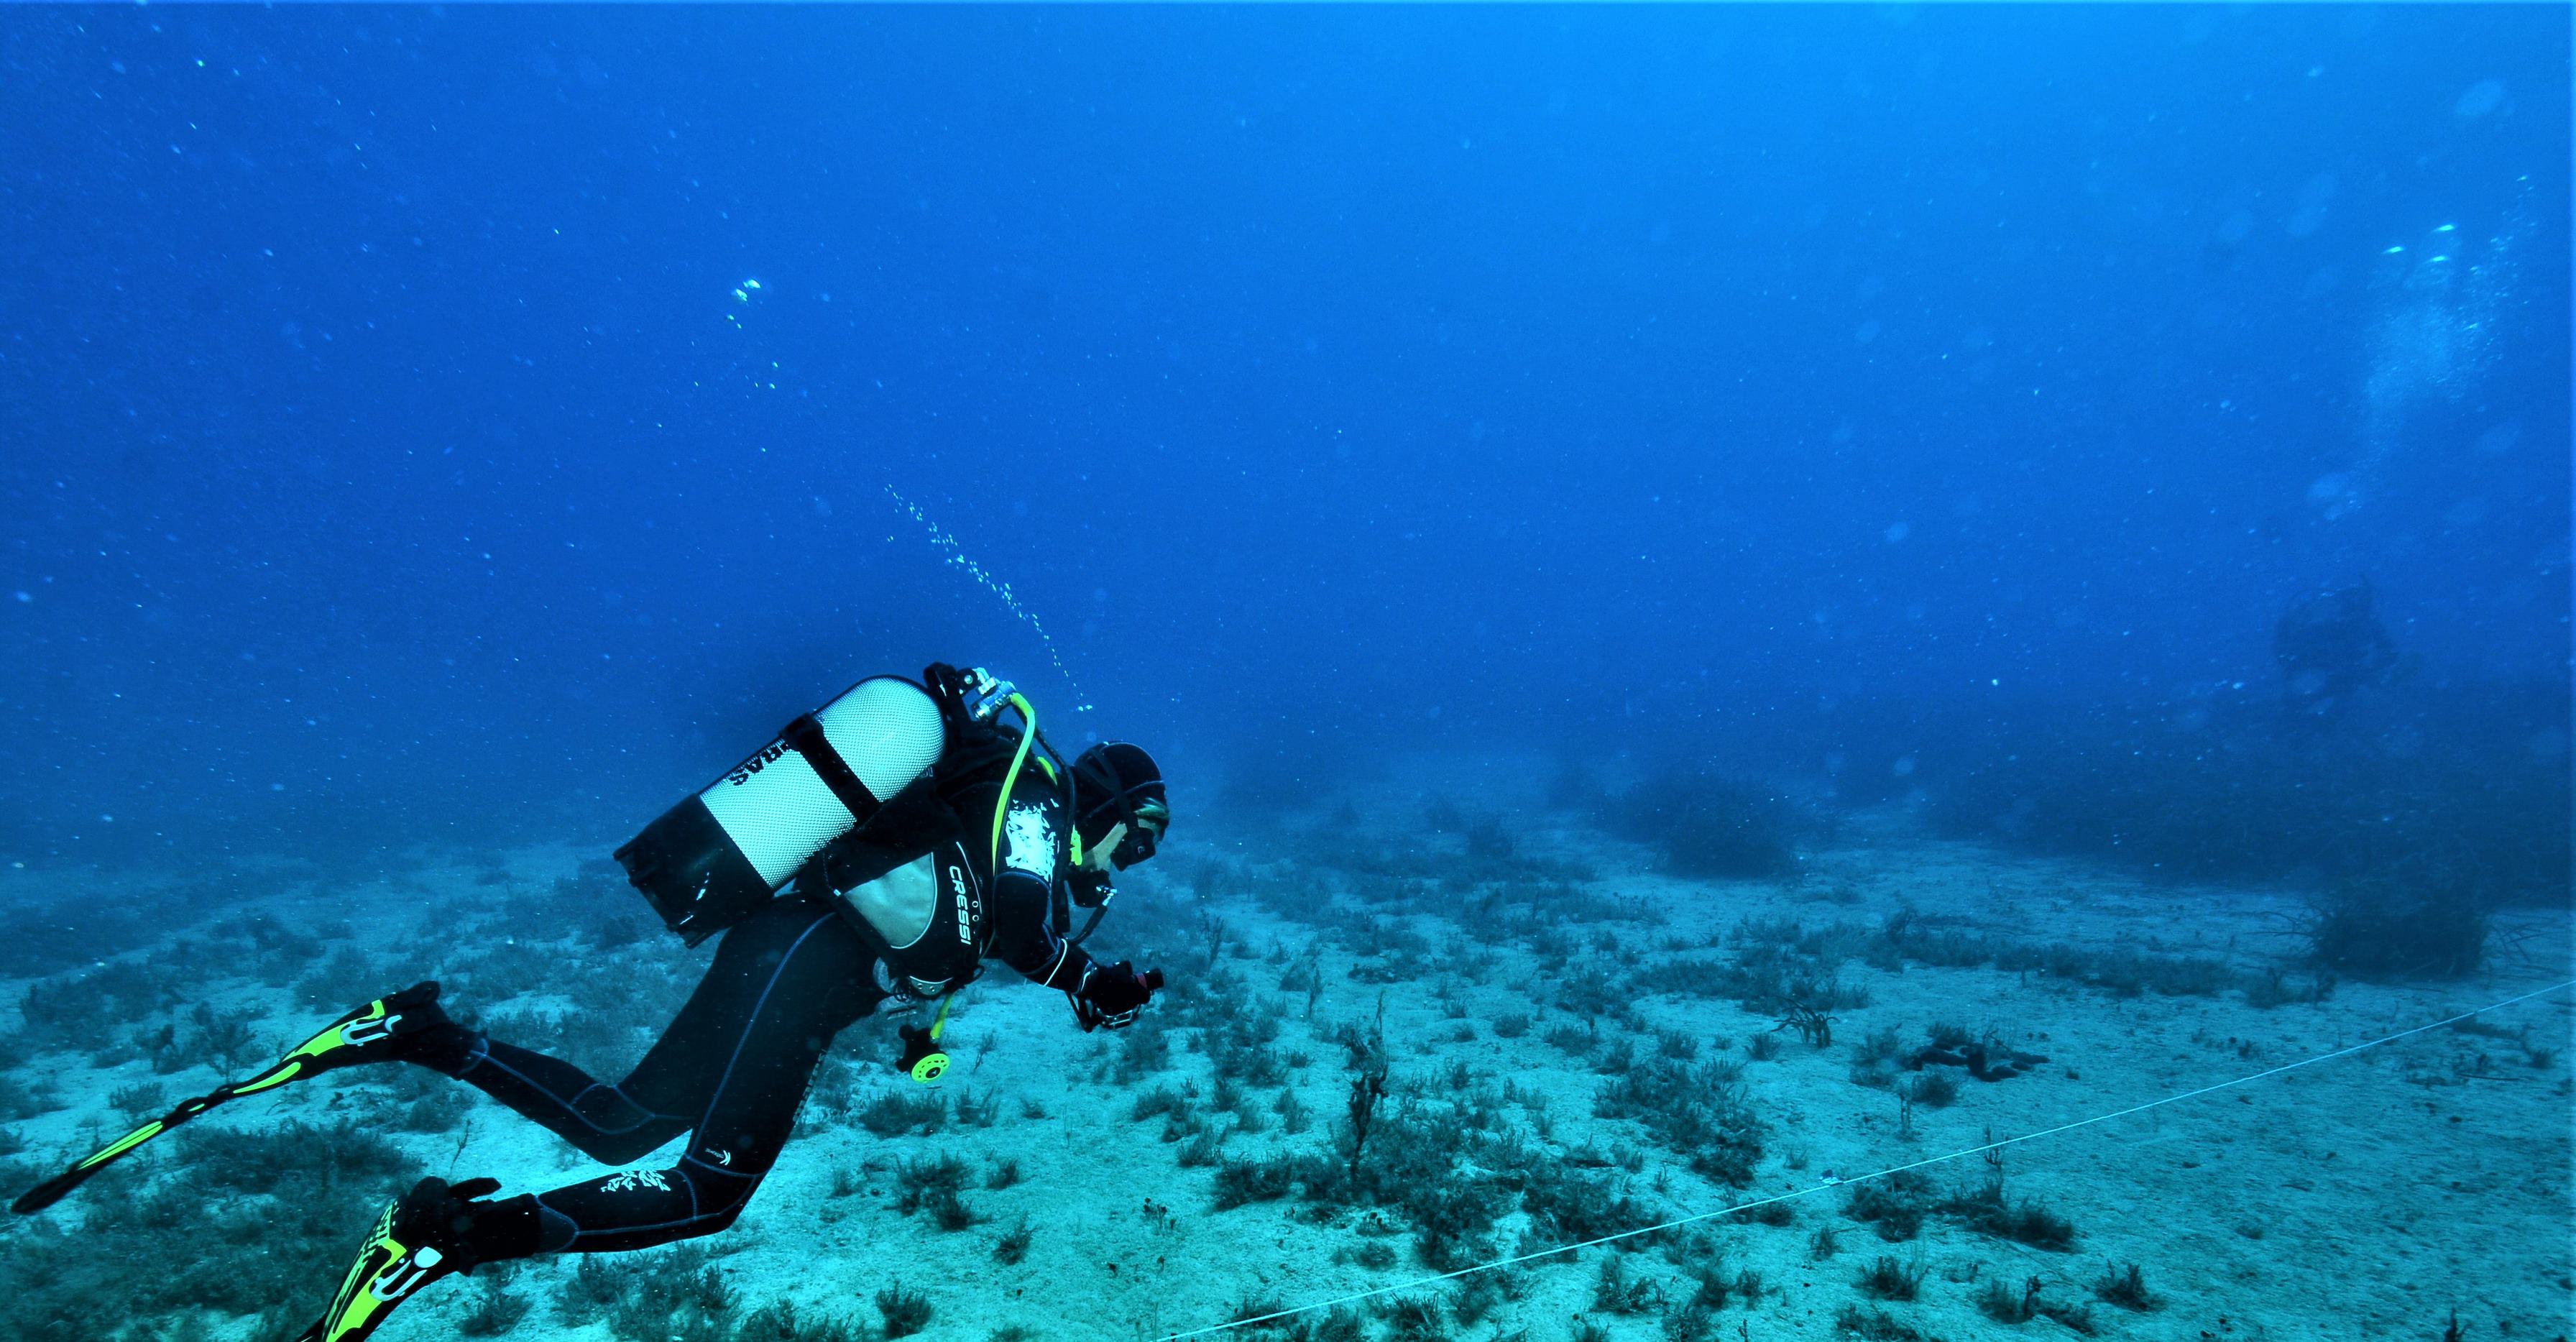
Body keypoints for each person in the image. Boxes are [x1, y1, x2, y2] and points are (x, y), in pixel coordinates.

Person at [11, 663, 1169, 1342]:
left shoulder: (1008, 818)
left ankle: (419, 1032)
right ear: (1111, 796)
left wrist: (938, 1027)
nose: (1136, 857)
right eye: (1144, 832)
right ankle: (443, 1237)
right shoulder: (1039, 800)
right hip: (804, 958)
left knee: (623, 1123)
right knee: (706, 1191)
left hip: (797, 952)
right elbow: (1014, 926)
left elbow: (948, 928)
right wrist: (1089, 981)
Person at [2272, 579, 2400, 724]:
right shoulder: (2329, 622)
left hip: (2321, 680)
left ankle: (2304, 726)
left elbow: (2388, 653)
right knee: (2305, 713)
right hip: (2317, 677)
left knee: (2310, 714)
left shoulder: (2360, 625)